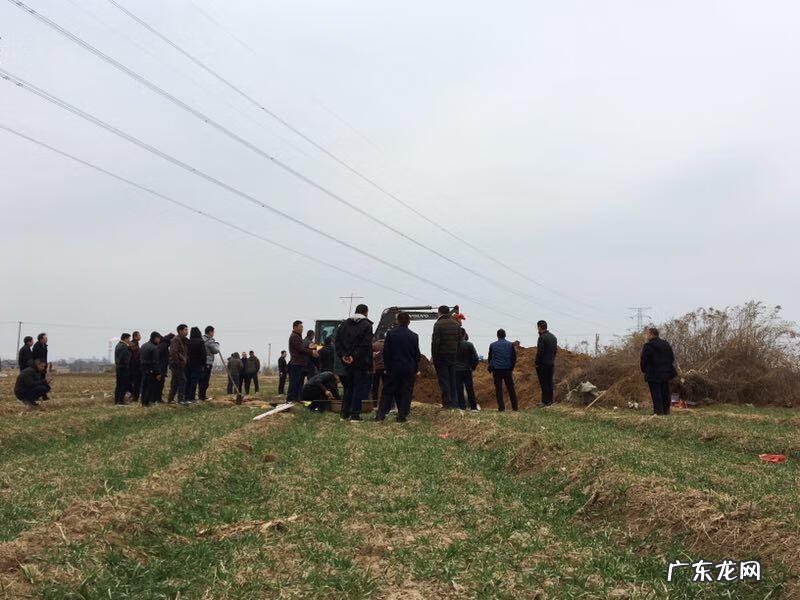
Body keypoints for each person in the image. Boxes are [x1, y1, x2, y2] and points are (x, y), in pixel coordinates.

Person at [376, 312, 420, 422]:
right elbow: (416, 355)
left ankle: (381, 415)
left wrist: (387, 366)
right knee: (406, 392)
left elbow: (386, 352)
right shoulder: (414, 336)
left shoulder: (390, 334)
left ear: (397, 321)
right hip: (408, 369)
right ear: (409, 322)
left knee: (387, 391)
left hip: (393, 368)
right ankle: (402, 415)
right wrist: (415, 369)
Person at [335, 304, 374, 421]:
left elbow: (337, 342)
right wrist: (354, 356)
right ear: (366, 312)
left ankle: (344, 414)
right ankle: (355, 415)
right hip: (360, 362)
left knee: (348, 388)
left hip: (346, 362)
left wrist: (343, 356)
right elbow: (365, 345)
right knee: (358, 388)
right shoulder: (367, 325)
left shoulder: (343, 324)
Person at [640, 327, 677, 415]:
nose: (646, 336)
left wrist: (644, 370)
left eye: (647, 334)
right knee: (665, 392)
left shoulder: (648, 346)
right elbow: (672, 358)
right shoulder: (666, 344)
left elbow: (644, 360)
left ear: (652, 334)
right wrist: (667, 369)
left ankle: (658, 412)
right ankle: (666, 411)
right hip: (665, 373)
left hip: (653, 374)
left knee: (656, 393)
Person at [431, 305, 460, 409]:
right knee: (453, 380)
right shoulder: (456, 324)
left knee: (444, 380)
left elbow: (435, 343)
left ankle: (447, 404)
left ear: (439, 313)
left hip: (442, 356)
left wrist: (434, 357)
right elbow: (459, 341)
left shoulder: (438, 324)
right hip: (453, 356)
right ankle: (455, 403)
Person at [488, 329, 518, 411]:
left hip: (497, 370)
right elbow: (514, 358)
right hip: (507, 369)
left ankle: (501, 408)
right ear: (505, 335)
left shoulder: (492, 345)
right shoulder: (510, 345)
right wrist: (511, 368)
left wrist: (491, 367)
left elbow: (490, 358)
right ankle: (515, 407)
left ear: (497, 335)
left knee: (498, 390)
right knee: (511, 388)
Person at [287, 321, 318, 402]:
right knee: (294, 383)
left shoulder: (298, 336)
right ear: (295, 327)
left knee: (299, 383)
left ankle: (297, 399)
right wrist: (312, 352)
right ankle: (290, 400)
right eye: (300, 327)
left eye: (302, 327)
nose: (302, 329)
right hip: (296, 363)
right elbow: (300, 349)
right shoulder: (294, 337)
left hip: (300, 364)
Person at [455, 329, 480, 411]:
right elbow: (476, 358)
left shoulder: (453, 345)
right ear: (464, 334)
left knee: (459, 389)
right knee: (470, 388)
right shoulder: (469, 345)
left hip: (456, 370)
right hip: (467, 369)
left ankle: (462, 406)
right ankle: (473, 407)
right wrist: (472, 367)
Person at [535, 320, 558, 407]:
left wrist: (537, 362)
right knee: (549, 382)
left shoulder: (542, 338)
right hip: (551, 363)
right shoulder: (553, 337)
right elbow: (555, 351)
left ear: (539, 327)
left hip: (543, 364)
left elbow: (540, 352)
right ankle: (550, 401)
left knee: (544, 383)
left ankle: (544, 402)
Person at [139, 331, 162, 406]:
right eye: (159, 339)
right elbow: (155, 362)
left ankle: (143, 402)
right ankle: (148, 402)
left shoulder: (143, 345)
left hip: (143, 369)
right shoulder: (154, 348)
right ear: (155, 338)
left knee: (144, 386)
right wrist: (158, 373)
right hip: (151, 370)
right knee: (150, 387)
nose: (159, 341)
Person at [168, 324, 189, 403]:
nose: (187, 331)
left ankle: (170, 399)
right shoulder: (176, 340)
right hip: (176, 364)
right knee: (183, 380)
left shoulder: (184, 340)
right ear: (180, 331)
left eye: (187, 329)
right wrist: (179, 362)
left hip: (180, 364)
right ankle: (181, 399)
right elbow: (173, 353)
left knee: (175, 381)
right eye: (185, 329)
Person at [186, 327, 207, 402]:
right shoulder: (200, 342)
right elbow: (203, 354)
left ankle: (187, 396)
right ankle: (192, 397)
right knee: (195, 381)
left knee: (189, 380)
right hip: (198, 364)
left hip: (189, 364)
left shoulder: (188, 342)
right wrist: (204, 364)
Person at [200, 326, 220, 401]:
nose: (213, 333)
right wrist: (217, 344)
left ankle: (201, 396)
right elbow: (215, 350)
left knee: (201, 380)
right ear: (210, 332)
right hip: (207, 362)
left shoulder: (201, 339)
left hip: (201, 362)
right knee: (205, 381)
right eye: (213, 332)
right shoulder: (209, 341)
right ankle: (202, 396)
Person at [114, 333, 132, 405]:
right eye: (129, 339)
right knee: (123, 385)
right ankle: (120, 401)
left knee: (118, 385)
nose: (129, 340)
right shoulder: (124, 347)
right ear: (126, 338)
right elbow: (125, 358)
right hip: (123, 368)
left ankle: (117, 400)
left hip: (118, 368)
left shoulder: (118, 345)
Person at [157, 333, 173, 402]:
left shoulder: (163, 344)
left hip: (161, 367)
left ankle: (158, 398)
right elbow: (161, 358)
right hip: (161, 368)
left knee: (160, 384)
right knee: (159, 384)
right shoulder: (164, 345)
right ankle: (158, 398)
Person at [32, 333, 49, 398]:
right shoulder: (36, 346)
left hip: (43, 366)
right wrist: (38, 366)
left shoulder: (44, 345)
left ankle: (44, 395)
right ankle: (37, 395)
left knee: (43, 379)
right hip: (38, 367)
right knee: (38, 381)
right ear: (41, 339)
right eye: (45, 338)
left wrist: (45, 365)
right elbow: (35, 357)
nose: (47, 339)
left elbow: (45, 357)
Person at [371, 335, 386, 403]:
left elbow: (370, 356)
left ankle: (374, 402)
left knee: (375, 386)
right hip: (385, 368)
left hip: (376, 368)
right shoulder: (387, 345)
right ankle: (386, 403)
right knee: (386, 386)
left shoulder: (374, 345)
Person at [129, 331, 142, 402]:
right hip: (134, 366)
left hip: (135, 366)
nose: (140, 336)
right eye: (139, 335)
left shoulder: (136, 343)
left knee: (135, 382)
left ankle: (134, 395)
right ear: (135, 336)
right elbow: (135, 356)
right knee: (135, 382)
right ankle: (134, 396)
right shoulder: (133, 344)